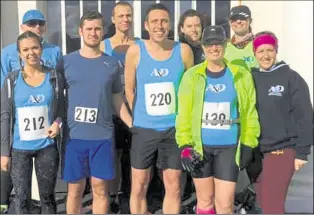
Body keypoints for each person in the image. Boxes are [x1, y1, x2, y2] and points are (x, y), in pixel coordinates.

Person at [175, 26, 260, 214]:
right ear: (203, 47)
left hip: (228, 148)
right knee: (205, 201)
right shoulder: (192, 75)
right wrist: (184, 146)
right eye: (209, 44)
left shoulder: (241, 74)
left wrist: (248, 143)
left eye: (218, 43)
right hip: (200, 148)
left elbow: (249, 112)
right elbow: (184, 114)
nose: (214, 48)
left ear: (225, 44)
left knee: (225, 204)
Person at [58, 11, 132, 214]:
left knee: (101, 190)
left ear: (103, 31)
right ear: (80, 31)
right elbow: (57, 99)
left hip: (102, 137)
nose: (93, 33)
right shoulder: (65, 62)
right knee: (75, 191)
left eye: (97, 28)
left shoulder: (111, 64)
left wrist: (132, 124)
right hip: (75, 137)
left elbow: (117, 99)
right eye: (89, 29)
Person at [124, 3, 194, 214]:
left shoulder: (183, 51)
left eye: (164, 21)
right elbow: (129, 89)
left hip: (173, 129)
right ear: (146, 25)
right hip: (144, 129)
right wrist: (136, 120)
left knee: (173, 185)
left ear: (170, 25)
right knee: (139, 184)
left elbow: (190, 89)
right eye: (154, 21)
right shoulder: (135, 50)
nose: (159, 26)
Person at [1, 10, 62, 213]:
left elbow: (62, 106)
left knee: (47, 198)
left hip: (46, 146)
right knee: (22, 199)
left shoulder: (53, 77)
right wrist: (4, 153)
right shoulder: (11, 79)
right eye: (26, 49)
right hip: (19, 148)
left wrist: (58, 123)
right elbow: (6, 116)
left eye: (35, 48)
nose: (31, 53)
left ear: (41, 49)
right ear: (19, 53)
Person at [251, 31, 313, 214]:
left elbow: (305, 116)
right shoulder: (251, 78)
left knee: (272, 207)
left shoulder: (291, 78)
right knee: (263, 204)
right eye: (260, 51)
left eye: (270, 50)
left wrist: (302, 152)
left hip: (281, 151)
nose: (265, 55)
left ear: (276, 51)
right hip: (256, 155)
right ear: (254, 53)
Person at [100, 3, 138, 210]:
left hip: (134, 108)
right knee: (112, 155)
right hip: (109, 109)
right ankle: (112, 196)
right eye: (121, 16)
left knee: (132, 155)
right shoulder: (103, 46)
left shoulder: (141, 44)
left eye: (129, 15)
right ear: (113, 19)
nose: (125, 19)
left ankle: (131, 195)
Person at [1, 9, 62, 87]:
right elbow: (3, 84)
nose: (37, 26)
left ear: (45, 27)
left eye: (41, 23)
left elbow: (60, 79)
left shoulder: (55, 50)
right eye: (32, 23)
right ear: (22, 27)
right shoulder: (7, 52)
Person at [224, 5, 258, 70]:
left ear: (250, 21)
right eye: (234, 19)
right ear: (230, 23)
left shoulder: (259, 44)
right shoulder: (224, 46)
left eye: (242, 18)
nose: (238, 21)